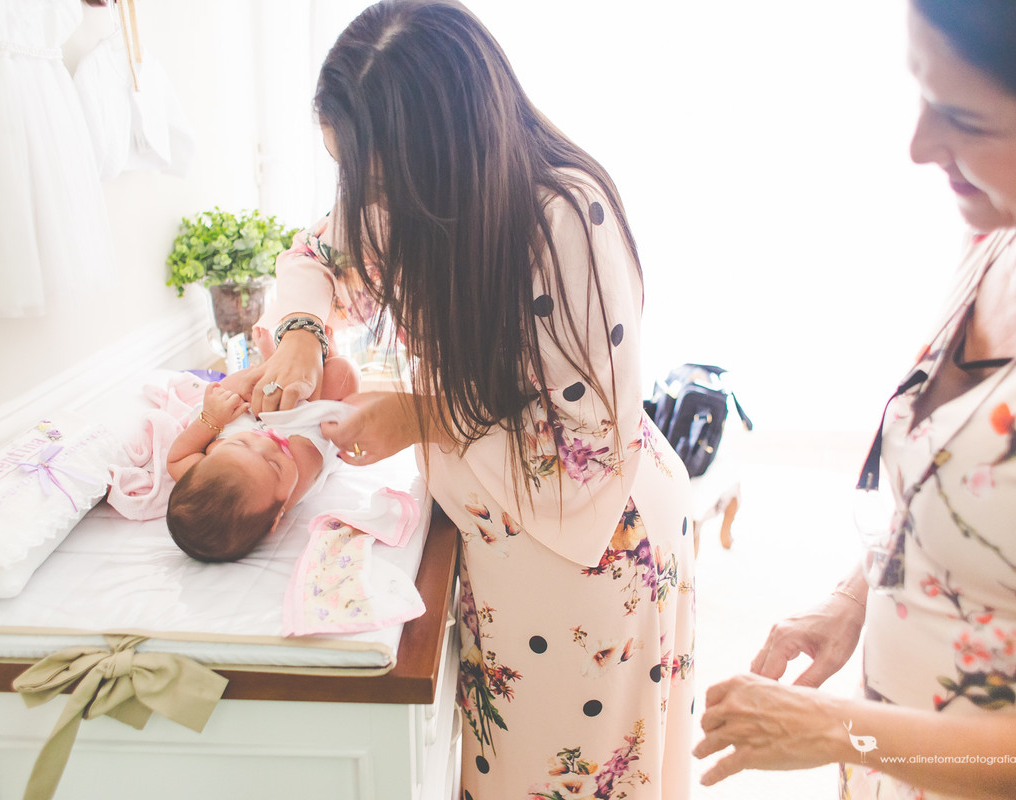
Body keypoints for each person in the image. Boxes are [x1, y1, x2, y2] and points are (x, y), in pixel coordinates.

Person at [238, 1, 696, 796]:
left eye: (372, 173)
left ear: (437, 149)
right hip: (493, 529)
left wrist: (417, 414)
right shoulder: (395, 202)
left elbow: (583, 431)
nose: (360, 195)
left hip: (590, 548)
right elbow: (314, 250)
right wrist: (303, 332)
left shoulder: (563, 219)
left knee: (570, 775)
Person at [693, 2, 1016, 799]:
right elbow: (955, 477)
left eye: (966, 119)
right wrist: (857, 596)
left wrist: (838, 728)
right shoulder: (996, 239)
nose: (918, 146)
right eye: (920, 92)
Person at [165, 355, 360, 562]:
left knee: (224, 389)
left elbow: (176, 460)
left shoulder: (206, 477)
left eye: (240, 444)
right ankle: (298, 361)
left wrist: (211, 421)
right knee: (342, 372)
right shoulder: (302, 468)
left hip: (242, 415)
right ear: (276, 517)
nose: (265, 442)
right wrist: (278, 398)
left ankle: (274, 361)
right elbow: (313, 418)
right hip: (302, 420)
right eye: (274, 464)